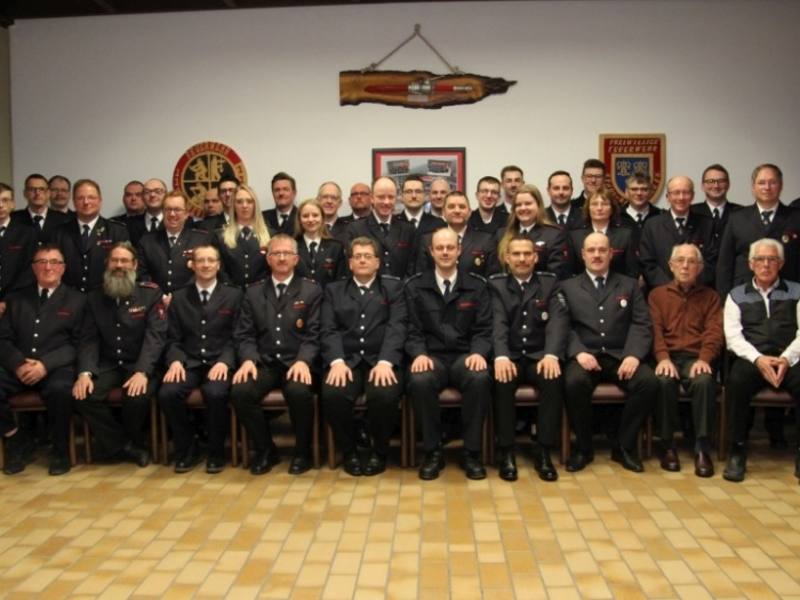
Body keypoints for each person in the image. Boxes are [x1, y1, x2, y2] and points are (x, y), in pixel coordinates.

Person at [560, 233, 657, 473]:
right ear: (582, 255)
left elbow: (642, 324)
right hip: (585, 355)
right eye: (591, 250)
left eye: (601, 250)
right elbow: (563, 325)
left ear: (611, 253)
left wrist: (633, 355)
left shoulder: (629, 285)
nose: (596, 255)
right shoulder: (567, 287)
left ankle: (623, 446)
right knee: (573, 382)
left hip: (620, 355)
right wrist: (579, 352)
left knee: (648, 382)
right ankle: (583, 448)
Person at [230, 234, 322, 475]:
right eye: (276, 254)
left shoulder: (311, 290)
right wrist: (248, 359)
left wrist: (304, 360)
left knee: (299, 392)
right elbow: (244, 333)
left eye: (287, 254)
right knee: (241, 391)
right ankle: (265, 449)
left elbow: (315, 333)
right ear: (268, 259)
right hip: (265, 362)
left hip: (297, 362)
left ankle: (303, 451)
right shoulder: (253, 292)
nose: (282, 258)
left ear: (296, 259)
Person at [405, 228, 493, 480]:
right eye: (440, 248)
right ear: (431, 251)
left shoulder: (477, 286)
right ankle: (433, 453)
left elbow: (484, 327)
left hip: (464, 356)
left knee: (479, 378)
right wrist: (418, 353)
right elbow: (411, 329)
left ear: (459, 250)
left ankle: (471, 453)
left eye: (450, 247)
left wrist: (478, 352)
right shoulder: (414, 286)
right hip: (431, 356)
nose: (445, 252)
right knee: (419, 380)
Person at [72, 242, 166, 467]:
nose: (119, 265)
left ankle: (128, 443)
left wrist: (143, 371)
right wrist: (85, 372)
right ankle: (125, 446)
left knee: (137, 396)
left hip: (141, 362)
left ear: (134, 265)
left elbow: (156, 336)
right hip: (109, 363)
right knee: (84, 396)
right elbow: (88, 339)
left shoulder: (150, 294)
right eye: (115, 260)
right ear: (107, 264)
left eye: (125, 261)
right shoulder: (95, 297)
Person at [320, 237, 406, 476]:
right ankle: (349, 452)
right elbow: (328, 328)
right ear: (350, 263)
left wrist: (386, 361)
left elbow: (397, 326)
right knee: (333, 393)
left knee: (384, 395)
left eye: (368, 256)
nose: (363, 261)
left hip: (381, 359)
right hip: (346, 359)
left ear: (377, 262)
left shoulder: (393, 288)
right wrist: (336, 361)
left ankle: (380, 452)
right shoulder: (333, 290)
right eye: (358, 256)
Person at [0, 245, 85, 475]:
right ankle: (14, 439)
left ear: (63, 268)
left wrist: (45, 364)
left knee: (60, 391)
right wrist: (18, 363)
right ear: (33, 267)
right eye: (42, 262)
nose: (49, 267)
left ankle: (60, 452)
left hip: (56, 368)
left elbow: (78, 344)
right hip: (17, 367)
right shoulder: (16, 299)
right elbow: (3, 338)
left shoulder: (77, 300)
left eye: (55, 262)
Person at [158, 244, 243, 474]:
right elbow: (172, 338)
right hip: (188, 361)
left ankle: (216, 450)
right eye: (201, 260)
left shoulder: (234, 295)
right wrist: (175, 360)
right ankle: (188, 446)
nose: (205, 265)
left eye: (210, 260)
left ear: (218, 264)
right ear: (192, 265)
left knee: (216, 393)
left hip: (219, 361)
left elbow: (238, 337)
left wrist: (225, 362)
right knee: (167, 393)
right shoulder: (178, 297)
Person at [489, 235, 567, 482]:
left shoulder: (550, 283)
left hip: (539, 356)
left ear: (535, 257)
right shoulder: (496, 286)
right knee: (501, 382)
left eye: (527, 254)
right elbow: (497, 324)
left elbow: (557, 322)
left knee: (553, 379)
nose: (522, 259)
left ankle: (543, 451)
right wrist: (500, 356)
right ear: (506, 258)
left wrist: (552, 354)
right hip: (509, 355)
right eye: (516, 254)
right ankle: (507, 452)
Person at [722, 238, 800, 483]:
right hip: (753, 358)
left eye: (771, 259)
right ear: (751, 264)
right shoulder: (736, 295)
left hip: (790, 357)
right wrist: (758, 359)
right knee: (736, 381)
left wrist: (786, 358)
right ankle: (737, 449)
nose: (765, 264)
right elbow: (733, 337)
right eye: (760, 260)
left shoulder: (797, 291)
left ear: (781, 263)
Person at [648, 243, 723, 477]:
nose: (685, 266)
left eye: (691, 261)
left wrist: (705, 359)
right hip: (667, 358)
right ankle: (667, 444)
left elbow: (714, 332)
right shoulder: (657, 295)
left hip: (695, 358)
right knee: (662, 382)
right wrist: (662, 358)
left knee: (704, 381)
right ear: (671, 266)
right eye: (680, 260)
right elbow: (654, 331)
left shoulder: (710, 297)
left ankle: (702, 447)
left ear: (699, 267)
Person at [717, 164, 800, 299]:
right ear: (753, 187)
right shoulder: (737, 218)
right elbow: (724, 264)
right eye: (761, 183)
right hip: (744, 294)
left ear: (781, 186)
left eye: (772, 182)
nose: (767, 187)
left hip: (787, 295)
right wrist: (724, 300)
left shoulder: (796, 218)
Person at [51, 178, 129, 293]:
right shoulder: (59, 232)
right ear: (74, 202)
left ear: (100, 200)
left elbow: (122, 268)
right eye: (80, 198)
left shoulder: (117, 231)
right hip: (67, 298)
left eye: (91, 197)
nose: (86, 202)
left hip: (104, 297)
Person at [639, 175, 716, 291]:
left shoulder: (707, 225)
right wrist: (672, 288)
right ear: (667, 197)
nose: (681, 197)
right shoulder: (652, 225)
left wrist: (691, 285)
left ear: (693, 196)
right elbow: (647, 263)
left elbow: (711, 262)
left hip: (698, 294)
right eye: (676, 193)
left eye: (686, 192)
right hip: (662, 294)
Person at [136, 190, 214, 299]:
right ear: (163, 212)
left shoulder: (201, 240)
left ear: (186, 213)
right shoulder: (147, 241)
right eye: (168, 209)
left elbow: (204, 272)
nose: (172, 214)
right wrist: (161, 297)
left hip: (190, 301)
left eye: (178, 210)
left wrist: (178, 298)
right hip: (155, 302)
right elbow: (142, 274)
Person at [344, 177, 417, 279]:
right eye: (381, 197)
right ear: (372, 198)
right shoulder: (355, 229)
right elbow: (351, 267)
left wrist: (400, 290)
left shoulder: (408, 229)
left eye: (391, 197)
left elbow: (412, 267)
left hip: (401, 292)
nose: (386, 202)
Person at [415, 191, 497, 278]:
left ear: (469, 212)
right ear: (443, 212)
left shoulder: (485, 240)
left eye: (462, 207)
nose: (457, 211)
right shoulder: (428, 240)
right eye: (451, 207)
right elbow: (421, 278)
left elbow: (492, 279)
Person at [494, 184, 568, 279]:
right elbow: (497, 270)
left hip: (542, 291)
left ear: (539, 205)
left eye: (528, 203)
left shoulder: (554, 235)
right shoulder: (502, 233)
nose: (523, 208)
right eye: (518, 205)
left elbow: (555, 274)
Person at [566, 189, 638, 278]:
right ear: (588, 208)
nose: (599, 208)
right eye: (594, 204)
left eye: (604, 204)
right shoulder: (575, 235)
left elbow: (632, 272)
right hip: (582, 288)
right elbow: (569, 271)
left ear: (612, 208)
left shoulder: (625, 235)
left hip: (619, 288)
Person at [216, 184, 273, 289]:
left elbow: (273, 269)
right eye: (239, 202)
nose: (244, 205)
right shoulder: (220, 236)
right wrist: (232, 291)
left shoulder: (271, 235)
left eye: (249, 201)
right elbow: (219, 269)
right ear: (233, 206)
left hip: (262, 295)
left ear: (255, 205)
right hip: (230, 295)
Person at [0, 183, 37, 318]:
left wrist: (6, 300)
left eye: (5, 200)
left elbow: (28, 271)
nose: (1, 205)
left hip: (16, 301)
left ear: (13, 204)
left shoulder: (26, 233)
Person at [294, 198, 348, 287]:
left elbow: (340, 283)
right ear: (299, 220)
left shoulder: (336, 247)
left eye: (315, 215)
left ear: (322, 218)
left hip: (329, 299)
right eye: (305, 216)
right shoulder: (292, 247)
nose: (310, 219)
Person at [10, 173, 71, 242]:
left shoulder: (64, 220)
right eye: (32, 189)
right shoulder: (13, 219)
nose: (37, 193)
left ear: (48, 193)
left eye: (42, 189)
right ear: (25, 193)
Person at [691, 164, 742, 242]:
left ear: (728, 185)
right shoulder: (691, 212)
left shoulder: (741, 213)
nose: (716, 186)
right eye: (710, 181)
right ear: (702, 186)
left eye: (721, 181)